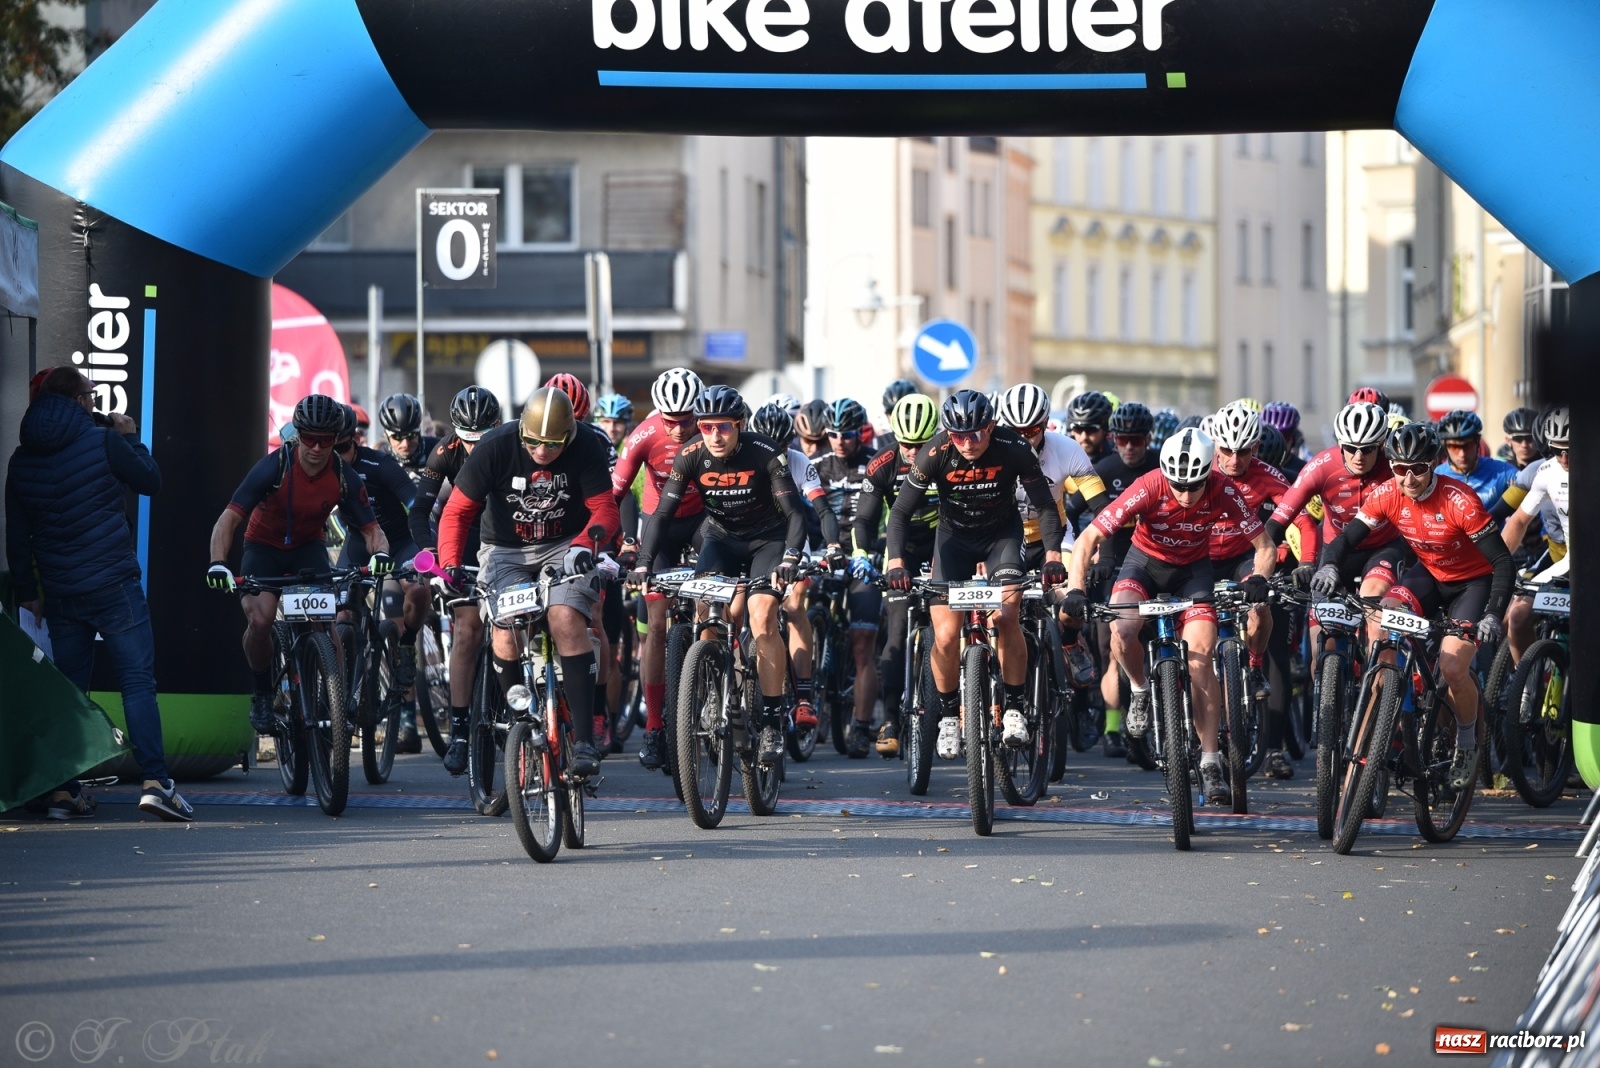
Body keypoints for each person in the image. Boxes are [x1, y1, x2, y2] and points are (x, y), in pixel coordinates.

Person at [7, 367, 193, 822]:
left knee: (69, 690)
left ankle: (64, 791)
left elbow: (17, 535)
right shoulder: (104, 441)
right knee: (136, 682)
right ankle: (155, 783)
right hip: (114, 585)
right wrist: (129, 437)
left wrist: (30, 592)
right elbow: (151, 481)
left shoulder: (20, 459)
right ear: (77, 400)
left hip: (61, 593)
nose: (94, 402)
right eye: (90, 395)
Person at [1064, 427, 1276, 805]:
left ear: (1209, 473)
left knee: (1200, 660)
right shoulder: (1148, 485)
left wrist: (1260, 576)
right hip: (1143, 564)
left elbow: (1264, 545)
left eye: (1195, 485)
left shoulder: (1224, 489)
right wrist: (1077, 588)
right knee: (1123, 630)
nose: (1185, 494)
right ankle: (1141, 691)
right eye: (1178, 484)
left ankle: (1211, 759)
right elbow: (1087, 540)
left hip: (1193, 572)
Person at [1311, 422, 1515, 789]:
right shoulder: (1389, 493)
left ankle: (1467, 742)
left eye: (1417, 469)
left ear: (1433, 464)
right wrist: (1329, 565)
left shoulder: (1460, 501)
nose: (1408, 478)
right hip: (1429, 576)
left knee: (1453, 667)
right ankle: (1392, 694)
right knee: (1382, 618)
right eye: (1399, 468)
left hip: (1472, 584)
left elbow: (1502, 563)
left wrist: (1492, 615)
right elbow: (1347, 538)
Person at [436, 387, 619, 778]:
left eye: (552, 445)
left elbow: (604, 507)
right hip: (505, 550)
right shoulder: (496, 446)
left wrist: (587, 544)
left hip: (564, 546)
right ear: (521, 432)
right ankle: (522, 720)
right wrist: (450, 564)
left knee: (566, 618)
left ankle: (585, 740)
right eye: (533, 442)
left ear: (568, 436)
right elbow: (456, 512)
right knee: (506, 632)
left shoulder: (586, 445)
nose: (541, 452)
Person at [885, 390, 1067, 756]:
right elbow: (900, 513)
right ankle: (950, 716)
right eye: (958, 435)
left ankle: (1014, 706)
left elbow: (1046, 506)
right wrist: (895, 563)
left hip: (1001, 536)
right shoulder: (934, 453)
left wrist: (1051, 556)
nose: (967, 443)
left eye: (976, 434)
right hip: (953, 541)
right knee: (947, 635)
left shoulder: (1014, 447)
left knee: (1007, 615)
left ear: (991, 426)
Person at [633, 385, 808, 765]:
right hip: (721, 538)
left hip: (767, 540)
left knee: (761, 618)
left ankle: (774, 720)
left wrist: (791, 558)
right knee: (706, 611)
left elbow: (795, 513)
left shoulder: (764, 452)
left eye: (724, 428)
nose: (714, 435)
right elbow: (661, 515)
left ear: (740, 425)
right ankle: (713, 690)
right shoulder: (691, 454)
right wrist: (644, 562)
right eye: (707, 426)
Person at [208, 394, 391, 739]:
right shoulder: (273, 466)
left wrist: (380, 554)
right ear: (298, 436)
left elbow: (372, 531)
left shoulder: (343, 475)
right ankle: (263, 693)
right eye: (309, 439)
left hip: (309, 548)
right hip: (263, 547)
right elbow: (228, 520)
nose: (317, 448)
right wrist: (218, 564)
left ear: (336, 440)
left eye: (326, 441)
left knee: (325, 621)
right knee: (260, 618)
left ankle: (332, 699)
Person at [1208, 402, 1317, 779]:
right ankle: (1193, 740)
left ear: (1256, 448)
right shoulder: (1198, 471)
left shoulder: (1273, 476)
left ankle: (1272, 749)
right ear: (1215, 446)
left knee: (1271, 642)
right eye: (1227, 450)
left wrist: (1305, 564)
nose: (1235, 459)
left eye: (1244, 451)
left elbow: (1303, 521)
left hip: (1254, 560)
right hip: (1204, 559)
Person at [612, 368, 707, 771]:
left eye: (688, 420)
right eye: (672, 421)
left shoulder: (713, 431)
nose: (681, 428)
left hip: (705, 521)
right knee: (656, 620)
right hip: (660, 524)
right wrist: (626, 542)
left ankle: (712, 686)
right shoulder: (644, 435)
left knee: (711, 604)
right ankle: (653, 726)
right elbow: (613, 494)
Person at [409, 385, 502, 773]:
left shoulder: (509, 444)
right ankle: (461, 729)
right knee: (466, 631)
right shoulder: (444, 452)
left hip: (502, 537)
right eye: (468, 441)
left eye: (482, 440)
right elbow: (419, 512)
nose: (475, 448)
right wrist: (433, 557)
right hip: (461, 539)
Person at [1267, 401, 1408, 649]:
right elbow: (1280, 518)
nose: (1359, 457)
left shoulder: (1394, 468)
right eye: (1351, 448)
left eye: (1367, 449)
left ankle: (1378, 681)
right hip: (1336, 550)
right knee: (1321, 644)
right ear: (1340, 444)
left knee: (1373, 608)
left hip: (1382, 548)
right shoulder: (1322, 466)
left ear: (1381, 445)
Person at [1065, 399, 1160, 758]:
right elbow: (1070, 515)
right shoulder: (1102, 469)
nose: (1130, 447)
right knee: (1109, 649)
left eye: (1137, 439)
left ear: (1148, 438)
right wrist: (1084, 556)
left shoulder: (1161, 467)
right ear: (1114, 438)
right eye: (1123, 440)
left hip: (1155, 559)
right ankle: (1112, 727)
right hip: (1114, 561)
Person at [333, 403, 426, 750]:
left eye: (342, 448)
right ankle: (336, 696)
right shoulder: (321, 465)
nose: (334, 455)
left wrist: (428, 547)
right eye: (329, 447)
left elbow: (416, 504)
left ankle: (405, 648)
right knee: (340, 620)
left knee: (415, 592)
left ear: (356, 440)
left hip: (399, 542)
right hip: (358, 544)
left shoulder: (380, 465)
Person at [856, 393, 941, 756]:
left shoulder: (947, 456)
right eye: (906, 443)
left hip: (943, 539)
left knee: (949, 627)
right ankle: (891, 718)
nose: (913, 451)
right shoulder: (883, 462)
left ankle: (964, 708)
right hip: (901, 545)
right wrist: (862, 553)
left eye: (920, 444)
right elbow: (864, 518)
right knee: (896, 631)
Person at [813, 397, 883, 757]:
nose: (841, 440)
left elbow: (889, 514)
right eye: (834, 434)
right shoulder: (816, 466)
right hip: (827, 555)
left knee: (861, 646)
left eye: (848, 433)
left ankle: (860, 726)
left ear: (861, 433)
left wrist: (877, 551)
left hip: (865, 559)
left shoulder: (876, 463)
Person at [1499, 407, 1570, 666]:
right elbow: (1518, 519)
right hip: (1563, 560)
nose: (1563, 458)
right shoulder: (1547, 471)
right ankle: (1526, 694)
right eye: (1556, 449)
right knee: (1517, 617)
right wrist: (1498, 562)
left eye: (1570, 449)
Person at [1435, 410, 1517, 509]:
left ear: (1478, 442)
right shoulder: (1436, 477)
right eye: (1454, 447)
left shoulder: (1503, 472)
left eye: (1468, 446)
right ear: (1445, 447)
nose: (1462, 454)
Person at [1065, 391, 1114, 463]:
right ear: (1071, 430)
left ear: (1104, 429)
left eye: (1091, 429)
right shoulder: (1059, 458)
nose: (1084, 437)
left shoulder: (1117, 457)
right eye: (1078, 429)